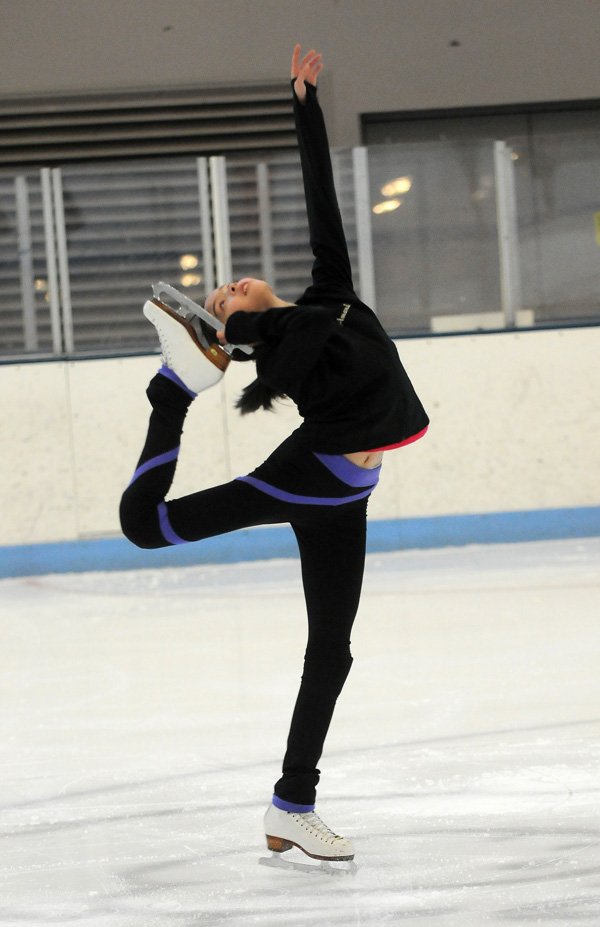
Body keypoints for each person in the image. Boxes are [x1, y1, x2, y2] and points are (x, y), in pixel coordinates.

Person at [120, 44, 429, 863]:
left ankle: (293, 801)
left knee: (334, 649)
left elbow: (322, 205)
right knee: (147, 529)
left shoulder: (329, 297)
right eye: (222, 297)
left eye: (228, 284)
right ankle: (172, 393)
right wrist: (230, 342)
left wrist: (305, 106)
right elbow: (270, 351)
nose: (230, 285)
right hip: (306, 480)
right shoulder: (281, 338)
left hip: (344, 498)